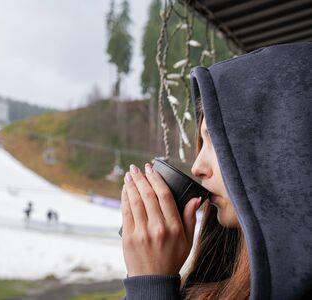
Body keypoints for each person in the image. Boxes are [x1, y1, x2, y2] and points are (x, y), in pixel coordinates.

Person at [120, 42, 312, 299]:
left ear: (283, 147)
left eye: (215, 141)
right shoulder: (221, 284)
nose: (198, 167)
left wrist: (149, 284)